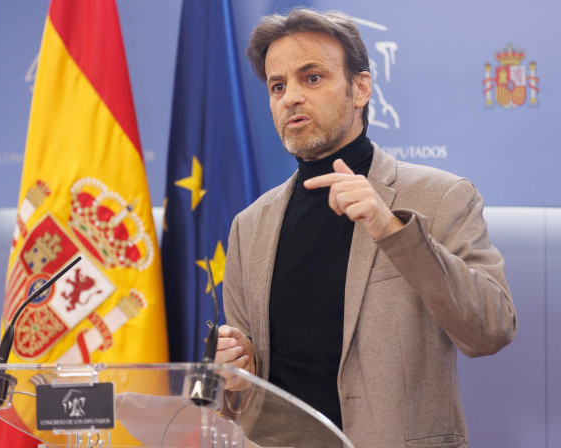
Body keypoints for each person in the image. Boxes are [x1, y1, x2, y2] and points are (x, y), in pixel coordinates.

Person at [213, 7, 517, 448]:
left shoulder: (443, 196)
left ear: (360, 88)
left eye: (311, 78)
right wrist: (237, 377)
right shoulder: (250, 226)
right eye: (278, 86)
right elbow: (245, 396)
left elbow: (491, 330)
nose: (290, 97)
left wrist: (392, 229)